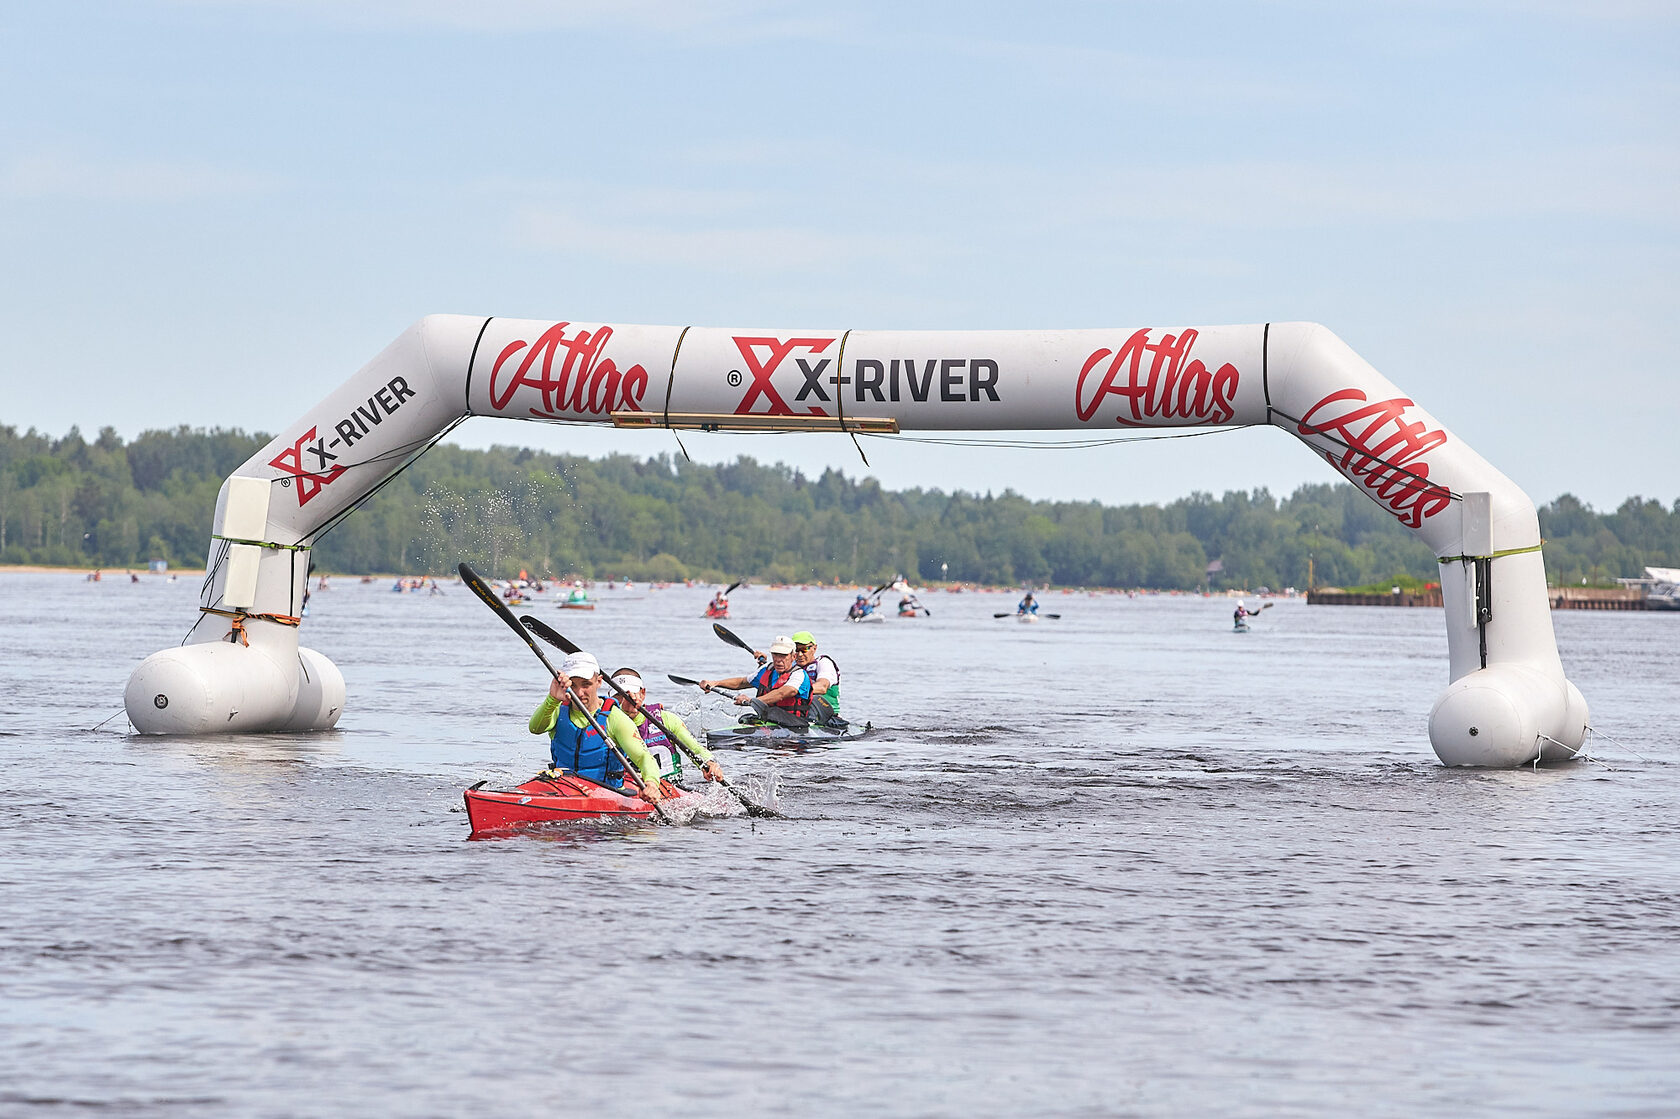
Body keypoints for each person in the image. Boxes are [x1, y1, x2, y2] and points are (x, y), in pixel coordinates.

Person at [529, 652, 663, 801]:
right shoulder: (557, 708)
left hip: (606, 793)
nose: (579, 693)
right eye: (573, 685)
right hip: (561, 788)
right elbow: (535, 729)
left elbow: (644, 757)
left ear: (599, 681)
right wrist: (552, 699)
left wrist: (651, 783)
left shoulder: (615, 718)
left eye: (586, 684)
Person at [604, 667, 726, 786]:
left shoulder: (666, 719)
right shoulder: (604, 722)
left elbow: (695, 748)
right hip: (628, 788)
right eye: (620, 696)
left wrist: (709, 763)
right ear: (610, 698)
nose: (626, 700)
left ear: (642, 693)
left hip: (672, 788)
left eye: (632, 694)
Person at [700, 635, 812, 731]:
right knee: (745, 718)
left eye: (783, 655)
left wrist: (752, 701)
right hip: (771, 721)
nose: (778, 659)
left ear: (793, 656)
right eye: (775, 654)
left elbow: (783, 693)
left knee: (773, 713)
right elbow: (742, 682)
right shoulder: (766, 669)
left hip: (796, 724)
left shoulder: (799, 674)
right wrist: (715, 683)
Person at [791, 631, 845, 728]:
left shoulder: (824, 663)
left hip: (827, 717)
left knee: (814, 697)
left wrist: (791, 690)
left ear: (814, 648)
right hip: (799, 716)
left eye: (804, 649)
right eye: (796, 650)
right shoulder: (791, 667)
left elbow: (822, 687)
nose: (799, 654)